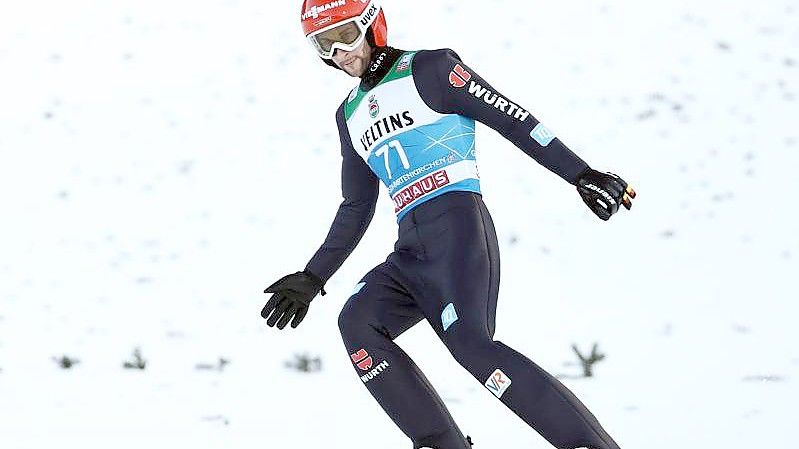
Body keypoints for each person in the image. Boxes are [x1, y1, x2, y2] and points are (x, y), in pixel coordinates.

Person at [261, 1, 637, 448]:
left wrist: (581, 173)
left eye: (346, 35)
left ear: (371, 25)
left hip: (457, 231)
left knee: (471, 345)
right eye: (325, 44)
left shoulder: (431, 69)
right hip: (410, 255)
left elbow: (513, 118)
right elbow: (356, 206)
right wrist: (312, 276)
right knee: (357, 321)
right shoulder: (349, 115)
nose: (340, 52)